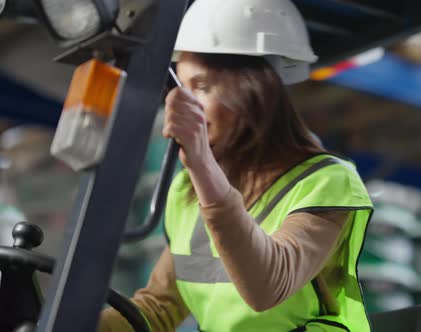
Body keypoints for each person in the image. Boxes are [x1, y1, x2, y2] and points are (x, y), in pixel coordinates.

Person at [99, 0, 373, 331]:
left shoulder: (328, 181)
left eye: (202, 87)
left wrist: (202, 167)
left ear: (256, 89)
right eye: (182, 88)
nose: (184, 103)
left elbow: (269, 285)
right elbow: (159, 307)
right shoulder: (187, 192)